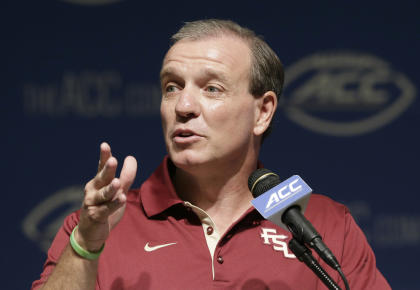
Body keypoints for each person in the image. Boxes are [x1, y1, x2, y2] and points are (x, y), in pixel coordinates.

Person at [32, 19, 390, 290]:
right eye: (172, 87)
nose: (184, 106)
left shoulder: (326, 226)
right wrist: (86, 247)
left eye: (212, 88)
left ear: (263, 112)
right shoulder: (100, 227)